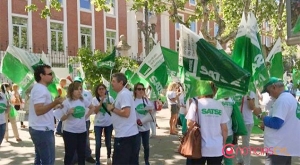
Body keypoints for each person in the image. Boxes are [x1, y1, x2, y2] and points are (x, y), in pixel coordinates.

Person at [186, 81, 228, 165]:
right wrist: (223, 144)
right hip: (216, 148)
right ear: (215, 91)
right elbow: (225, 129)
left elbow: (189, 124)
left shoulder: (196, 104)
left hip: (198, 147)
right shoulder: (219, 105)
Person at [29, 64, 64, 165]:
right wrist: (55, 102)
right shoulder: (40, 89)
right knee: (47, 161)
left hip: (40, 129)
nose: (52, 76)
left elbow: (43, 108)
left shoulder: (41, 88)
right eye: (50, 74)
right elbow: (39, 110)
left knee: (40, 159)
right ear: (41, 75)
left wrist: (55, 106)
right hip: (42, 130)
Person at [260, 77, 300, 165]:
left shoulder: (282, 100)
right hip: (284, 147)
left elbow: (276, 123)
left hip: (278, 149)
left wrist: (261, 116)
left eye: (268, 92)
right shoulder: (290, 98)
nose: (269, 95)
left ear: (274, 87)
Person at [54, 82, 94, 165]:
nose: (79, 91)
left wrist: (86, 117)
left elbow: (92, 107)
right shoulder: (67, 102)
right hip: (70, 132)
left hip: (82, 131)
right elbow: (62, 118)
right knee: (70, 153)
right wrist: (68, 113)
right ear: (72, 91)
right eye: (77, 89)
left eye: (80, 89)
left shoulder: (83, 100)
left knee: (81, 153)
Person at [106, 73, 139, 165]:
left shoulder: (124, 94)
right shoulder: (123, 93)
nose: (111, 83)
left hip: (125, 136)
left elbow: (126, 113)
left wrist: (112, 108)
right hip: (127, 135)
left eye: (113, 81)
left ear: (121, 83)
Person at [73, 76, 96, 164]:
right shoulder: (71, 94)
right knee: (74, 139)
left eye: (79, 82)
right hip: (74, 121)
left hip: (85, 120)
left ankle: (87, 155)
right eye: (76, 82)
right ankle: (75, 157)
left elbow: (91, 106)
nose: (78, 84)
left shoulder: (87, 93)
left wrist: (86, 116)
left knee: (85, 139)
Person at [92, 84, 114, 165]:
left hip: (108, 123)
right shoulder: (94, 99)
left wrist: (109, 103)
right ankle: (97, 160)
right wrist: (101, 101)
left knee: (108, 142)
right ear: (97, 91)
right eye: (99, 89)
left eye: (102, 89)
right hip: (98, 124)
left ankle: (108, 157)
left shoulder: (110, 98)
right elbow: (96, 111)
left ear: (105, 90)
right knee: (98, 143)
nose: (101, 90)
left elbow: (112, 109)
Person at [134, 82, 154, 165]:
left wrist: (149, 110)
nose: (141, 91)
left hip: (146, 127)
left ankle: (146, 161)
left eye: (143, 89)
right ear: (135, 90)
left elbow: (151, 110)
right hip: (136, 128)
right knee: (137, 147)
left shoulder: (146, 100)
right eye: (139, 89)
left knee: (146, 146)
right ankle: (136, 162)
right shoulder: (132, 100)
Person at [218, 97, 234, 165]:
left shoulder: (218, 101)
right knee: (228, 156)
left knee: (217, 156)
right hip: (229, 132)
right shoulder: (233, 101)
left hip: (220, 133)